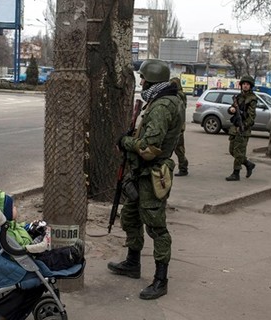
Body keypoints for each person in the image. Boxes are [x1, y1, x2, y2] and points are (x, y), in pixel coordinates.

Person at [108, 59, 185, 300]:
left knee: (156, 226)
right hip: (142, 172)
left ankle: (161, 280)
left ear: (152, 81)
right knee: (131, 216)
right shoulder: (162, 100)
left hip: (152, 174)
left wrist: (125, 142)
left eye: (143, 78)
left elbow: (150, 148)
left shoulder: (162, 106)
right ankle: (133, 263)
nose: (141, 82)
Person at [0, 188, 85, 271]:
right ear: (2, 213)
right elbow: (18, 247)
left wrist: (30, 227)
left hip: (26, 249)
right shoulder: (4, 232)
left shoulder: (5, 225)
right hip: (27, 257)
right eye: (12, 207)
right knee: (50, 258)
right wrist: (36, 241)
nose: (15, 208)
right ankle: (70, 256)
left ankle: (70, 252)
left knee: (49, 249)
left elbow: (18, 228)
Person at [225, 75, 257, 181]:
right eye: (244, 84)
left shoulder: (252, 99)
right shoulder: (238, 97)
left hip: (243, 129)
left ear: (250, 86)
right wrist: (232, 109)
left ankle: (236, 173)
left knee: (238, 152)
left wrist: (244, 126)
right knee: (232, 151)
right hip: (235, 128)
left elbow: (251, 117)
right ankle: (248, 164)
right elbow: (230, 109)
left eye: (247, 84)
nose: (245, 86)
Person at [170, 77, 189, 176]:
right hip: (178, 125)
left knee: (179, 148)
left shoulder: (179, 95)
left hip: (179, 127)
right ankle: (183, 166)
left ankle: (183, 167)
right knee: (178, 148)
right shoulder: (180, 94)